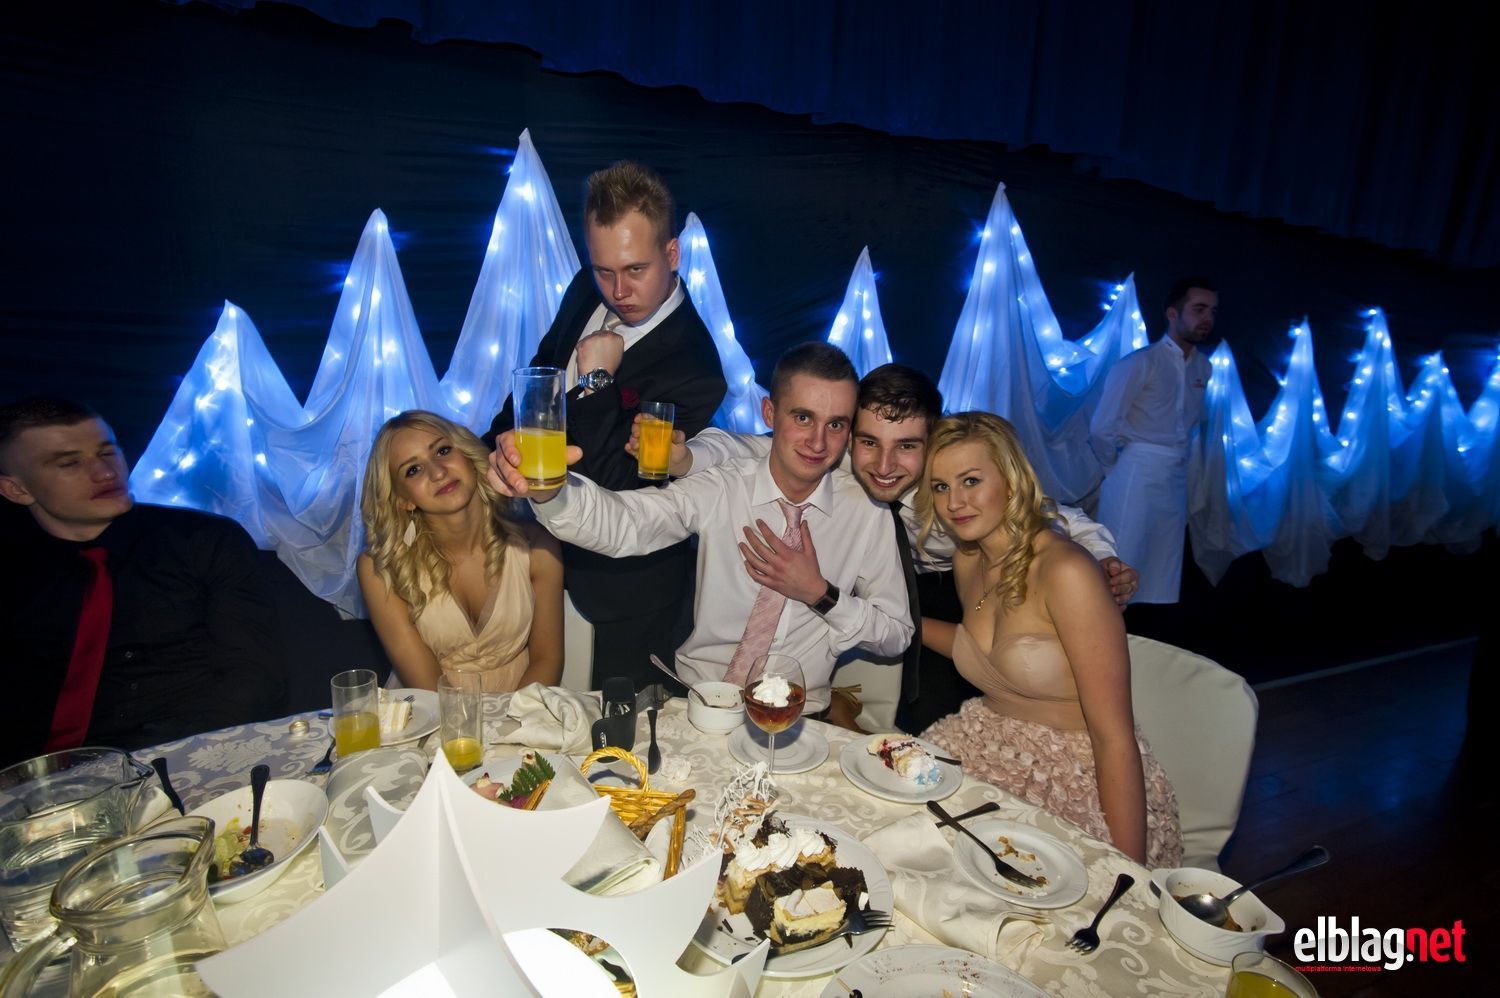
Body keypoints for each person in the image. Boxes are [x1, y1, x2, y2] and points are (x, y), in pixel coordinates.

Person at [664, 363, 1138, 733]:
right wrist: (688, 458)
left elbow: (1055, 516)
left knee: (934, 718)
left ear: (931, 441)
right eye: (869, 442)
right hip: (861, 582)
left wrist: (1103, 558)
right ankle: (839, 707)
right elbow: (748, 447)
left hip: (947, 588)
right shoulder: (840, 459)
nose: (885, 465)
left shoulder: (954, 487)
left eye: (907, 446)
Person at [492, 343, 912, 714]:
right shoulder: (724, 485)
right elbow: (625, 522)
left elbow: (897, 635)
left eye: (836, 424)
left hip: (798, 718)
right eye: (803, 417)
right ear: (770, 412)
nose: (818, 442)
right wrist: (551, 492)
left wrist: (821, 595)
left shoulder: (865, 512)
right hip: (699, 704)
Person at [486, 161, 726, 693]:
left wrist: (597, 382)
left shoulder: (696, 369)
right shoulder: (584, 288)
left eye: (635, 269)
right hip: (535, 558)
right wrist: (495, 449)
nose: (618, 290)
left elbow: (621, 483)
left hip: (621, 591)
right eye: (604, 270)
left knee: (612, 733)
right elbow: (539, 380)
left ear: (672, 254)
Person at [917, 411, 1181, 867]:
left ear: (1012, 481)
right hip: (985, 747)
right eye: (941, 486)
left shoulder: (1067, 571)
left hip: (1075, 776)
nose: (954, 502)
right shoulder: (968, 559)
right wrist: (879, 617)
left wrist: (1128, 874)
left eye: (971, 481)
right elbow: (983, 654)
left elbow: (1113, 737)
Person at [0, 397, 285, 763]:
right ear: (16, 489)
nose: (105, 473)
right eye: (70, 463)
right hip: (39, 780)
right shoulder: (14, 574)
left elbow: (254, 679)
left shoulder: (201, 541)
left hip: (187, 755)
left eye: (108, 453)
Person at [358, 411, 563, 694]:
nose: (438, 472)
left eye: (442, 451)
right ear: (403, 500)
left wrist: (515, 717)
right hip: (432, 713)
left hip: (524, 704)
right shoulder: (380, 569)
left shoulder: (538, 547)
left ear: (467, 455)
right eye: (413, 470)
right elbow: (428, 688)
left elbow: (547, 659)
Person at [1090, 277, 1217, 604]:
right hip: (1136, 470)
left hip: (1175, 475)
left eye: (1212, 311)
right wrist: (1117, 467)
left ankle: (1146, 630)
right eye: (1199, 309)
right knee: (1119, 563)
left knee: (1160, 568)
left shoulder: (1204, 367)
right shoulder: (1140, 363)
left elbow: (1191, 426)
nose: (1207, 318)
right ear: (1173, 314)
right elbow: (1102, 427)